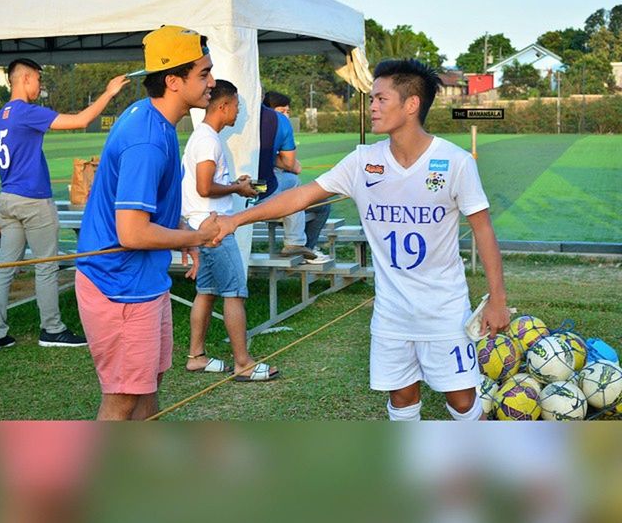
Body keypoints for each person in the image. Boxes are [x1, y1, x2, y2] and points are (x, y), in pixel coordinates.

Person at [216, 59, 510, 421]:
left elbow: (483, 230)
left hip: (444, 312)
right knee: (402, 399)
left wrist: (498, 300)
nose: (372, 106)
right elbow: (301, 196)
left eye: (381, 99)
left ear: (412, 104)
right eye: (372, 99)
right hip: (391, 314)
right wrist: (237, 218)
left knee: (464, 403)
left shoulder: (454, 162)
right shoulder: (363, 161)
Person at [74, 25, 221, 420]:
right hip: (118, 286)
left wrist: (183, 238)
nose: (212, 82)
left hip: (142, 283)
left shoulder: (155, 121)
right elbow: (133, 232)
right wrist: (197, 235)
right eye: (203, 74)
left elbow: (153, 212)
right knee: (123, 397)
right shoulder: (147, 140)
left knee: (147, 389)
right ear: (173, 81)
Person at [0, 58, 129, 353]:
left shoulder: (1, 115)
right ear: (24, 79)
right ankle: (52, 329)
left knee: (5, 268)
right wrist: (109, 92)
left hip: (9, 201)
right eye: (38, 79)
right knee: (47, 267)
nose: (40, 85)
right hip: (33, 201)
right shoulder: (25, 111)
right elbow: (80, 121)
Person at [181, 79, 278, 381]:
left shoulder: (204, 138)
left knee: (206, 292)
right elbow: (204, 186)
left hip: (202, 226)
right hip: (215, 229)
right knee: (235, 293)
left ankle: (196, 356)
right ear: (223, 106)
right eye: (237, 106)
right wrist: (237, 187)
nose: (239, 113)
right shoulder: (208, 140)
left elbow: (206, 185)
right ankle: (243, 363)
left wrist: (237, 186)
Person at [259, 91, 331, 264]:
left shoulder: (245, 120)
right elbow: (292, 165)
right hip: (261, 191)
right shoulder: (278, 122)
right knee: (294, 185)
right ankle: (296, 243)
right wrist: (291, 165)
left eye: (287, 111)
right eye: (281, 110)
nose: (285, 115)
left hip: (248, 189)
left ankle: (305, 247)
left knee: (318, 205)